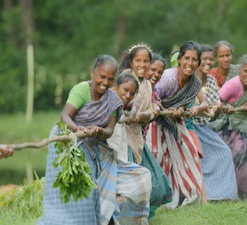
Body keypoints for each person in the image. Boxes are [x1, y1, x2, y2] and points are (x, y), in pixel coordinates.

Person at [38, 55, 123, 225]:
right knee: (65, 189)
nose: (105, 82)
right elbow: (65, 117)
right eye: (102, 77)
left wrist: (98, 131)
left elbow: (109, 130)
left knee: (88, 190)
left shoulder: (113, 100)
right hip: (66, 143)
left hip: (89, 147)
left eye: (110, 79)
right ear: (93, 73)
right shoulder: (82, 89)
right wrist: (78, 130)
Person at [145, 41, 208, 208]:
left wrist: (188, 108)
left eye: (194, 60)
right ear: (179, 59)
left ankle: (186, 196)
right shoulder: (168, 78)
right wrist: (167, 109)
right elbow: (150, 96)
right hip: (157, 121)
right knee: (157, 156)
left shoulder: (194, 82)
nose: (190, 63)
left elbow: (204, 104)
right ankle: (156, 198)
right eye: (187, 58)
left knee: (190, 153)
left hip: (176, 123)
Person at [119, 45, 172, 218]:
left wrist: (145, 114)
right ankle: (123, 216)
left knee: (155, 180)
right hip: (121, 137)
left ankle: (143, 215)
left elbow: (149, 111)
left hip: (138, 137)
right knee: (128, 181)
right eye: (138, 61)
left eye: (146, 61)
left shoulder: (148, 84)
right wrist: (136, 112)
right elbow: (123, 103)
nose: (142, 65)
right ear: (131, 62)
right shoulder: (126, 78)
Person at [208, 54, 247, 201]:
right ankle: (223, 191)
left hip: (245, 126)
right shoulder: (233, 84)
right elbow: (216, 102)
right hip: (227, 126)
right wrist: (225, 108)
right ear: (240, 70)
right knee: (231, 158)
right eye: (246, 71)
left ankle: (244, 193)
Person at [98, 71, 152, 225]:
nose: (128, 95)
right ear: (115, 88)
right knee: (107, 190)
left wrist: (134, 110)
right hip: (102, 160)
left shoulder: (122, 104)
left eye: (132, 93)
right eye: (125, 90)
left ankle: (123, 217)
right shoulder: (105, 101)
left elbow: (132, 104)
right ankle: (107, 216)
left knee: (143, 176)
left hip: (118, 161)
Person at [190, 44, 239, 201]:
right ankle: (200, 195)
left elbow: (212, 114)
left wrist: (218, 108)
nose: (208, 62)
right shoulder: (190, 79)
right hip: (189, 127)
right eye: (204, 59)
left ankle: (220, 195)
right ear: (197, 60)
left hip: (204, 128)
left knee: (224, 152)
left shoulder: (210, 80)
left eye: (210, 59)